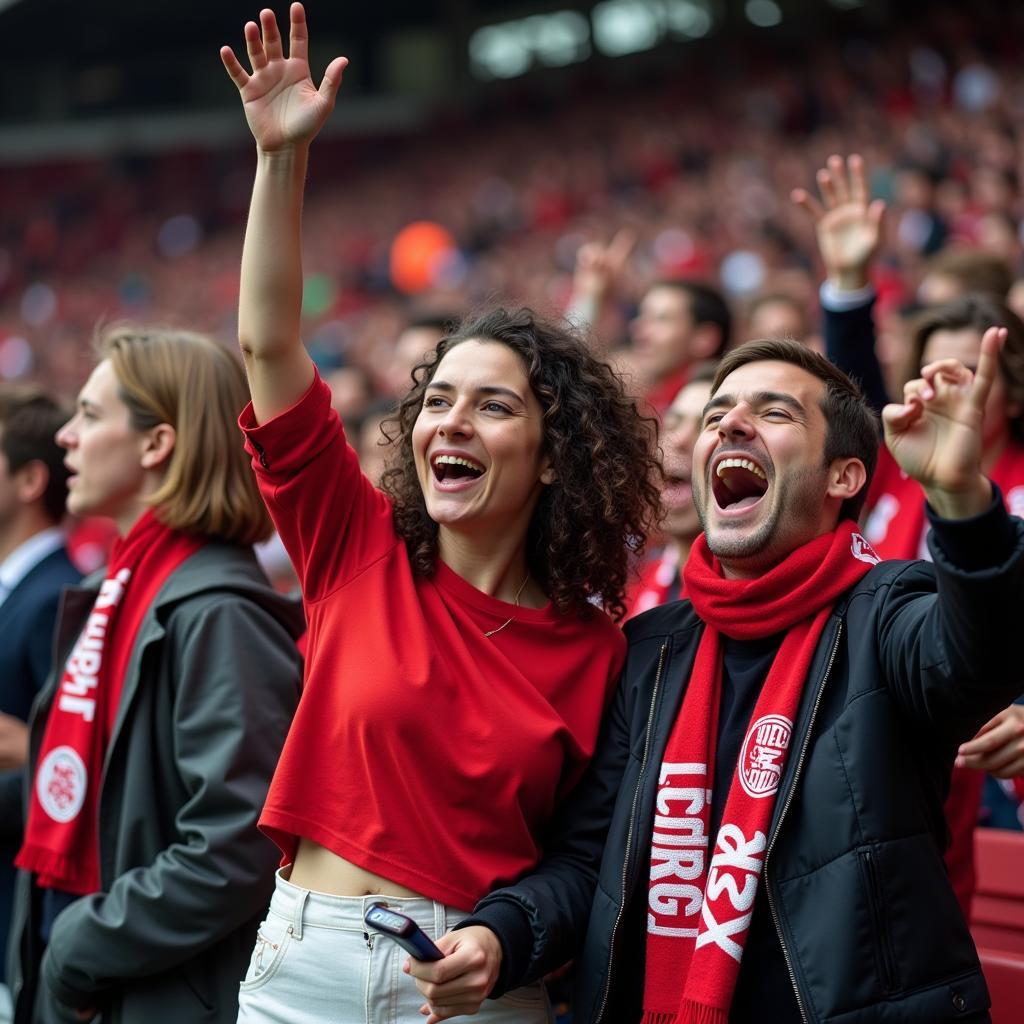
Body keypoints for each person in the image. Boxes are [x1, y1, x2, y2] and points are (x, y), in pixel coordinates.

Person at [220, 6, 660, 1022]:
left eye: (493, 404)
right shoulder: (352, 544)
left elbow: (583, 861)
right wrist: (279, 162)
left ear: (556, 459)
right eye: (438, 399)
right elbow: (269, 349)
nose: (448, 421)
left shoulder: (602, 653)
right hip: (307, 971)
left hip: (477, 990)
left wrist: (497, 940)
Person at [413, 333, 1024, 1023]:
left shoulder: (888, 615)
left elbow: (981, 661)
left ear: (843, 478)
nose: (730, 423)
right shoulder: (649, 652)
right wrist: (501, 935)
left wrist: (965, 504)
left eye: (775, 413)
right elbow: (587, 863)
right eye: (716, 415)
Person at [7, 326, 304, 1024]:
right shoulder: (116, 590)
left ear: (156, 444)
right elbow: (105, 792)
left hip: (156, 993)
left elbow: (238, 843)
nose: (65, 440)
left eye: (88, 415)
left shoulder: (219, 614)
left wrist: (78, 946)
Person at [795, 153, 1024, 917]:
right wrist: (848, 280)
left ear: (1009, 383)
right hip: (894, 758)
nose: (938, 390)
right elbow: (850, 380)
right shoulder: (894, 470)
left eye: (964, 371)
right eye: (926, 372)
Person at [0, 390, 81, 1024]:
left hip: (19, 918)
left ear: (29, 479)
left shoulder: (58, 599)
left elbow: (78, 767)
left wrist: (30, 746)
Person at [627, 365, 716, 618]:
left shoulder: (750, 605)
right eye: (673, 423)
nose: (679, 440)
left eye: (707, 426)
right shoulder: (627, 594)